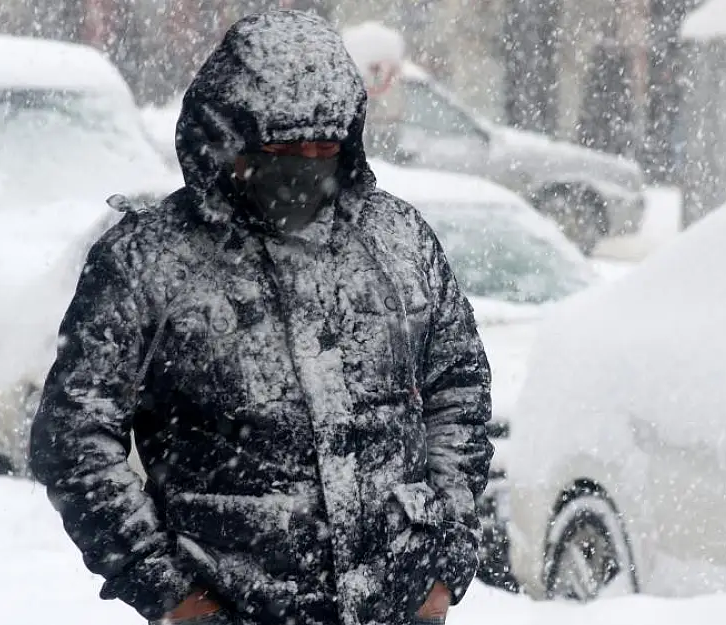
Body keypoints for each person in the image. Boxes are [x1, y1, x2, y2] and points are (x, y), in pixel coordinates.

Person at [28, 10, 493, 625]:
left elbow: (458, 391)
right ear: (227, 138)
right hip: (235, 607)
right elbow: (74, 439)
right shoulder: (151, 260)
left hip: (396, 604)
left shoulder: (397, 239)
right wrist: (169, 591)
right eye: (283, 149)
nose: (306, 165)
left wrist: (444, 560)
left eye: (324, 148)